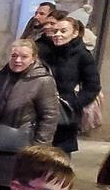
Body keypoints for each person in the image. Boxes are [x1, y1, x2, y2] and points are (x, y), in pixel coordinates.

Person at [0, 38, 59, 190]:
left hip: (17, 147)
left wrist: (38, 149)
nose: (18, 60)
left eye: (24, 57)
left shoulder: (42, 81)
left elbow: (49, 117)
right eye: (14, 56)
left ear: (34, 58)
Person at [38, 14, 100, 155]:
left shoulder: (82, 55)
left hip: (64, 115)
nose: (57, 35)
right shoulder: (45, 51)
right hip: (41, 111)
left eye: (63, 31)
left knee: (59, 159)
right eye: (55, 31)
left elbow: (93, 86)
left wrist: (73, 103)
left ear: (75, 33)